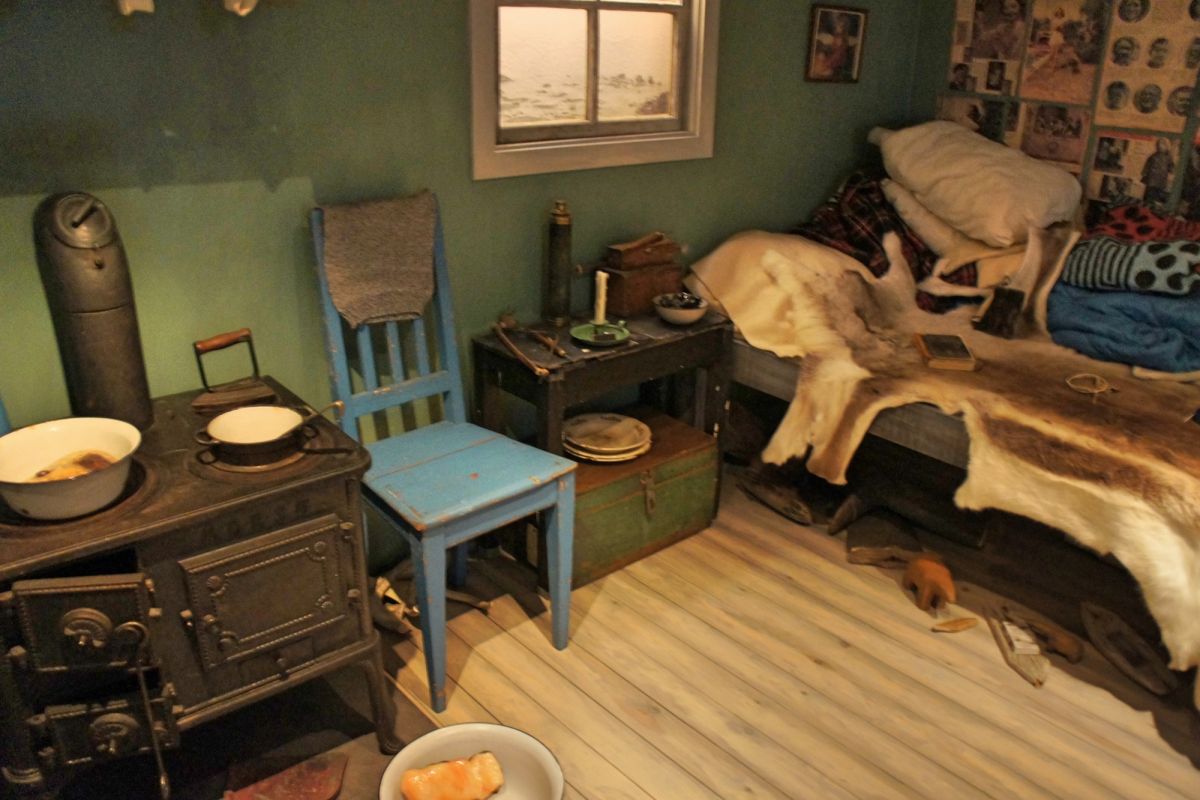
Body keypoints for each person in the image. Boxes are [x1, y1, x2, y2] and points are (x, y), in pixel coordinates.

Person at [1141, 138, 1174, 207]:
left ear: (1167, 146)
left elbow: (1171, 167)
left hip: (1161, 179)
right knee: (1148, 194)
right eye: (1159, 144)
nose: (1160, 146)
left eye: (1162, 144)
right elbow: (1148, 164)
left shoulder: (1169, 157)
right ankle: (1146, 205)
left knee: (1157, 195)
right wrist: (1144, 171)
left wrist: (1171, 172)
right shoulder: (1153, 156)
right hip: (1151, 178)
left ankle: (1153, 206)